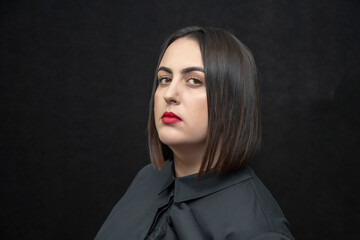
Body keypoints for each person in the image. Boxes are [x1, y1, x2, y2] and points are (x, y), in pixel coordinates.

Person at [95, 26, 294, 240]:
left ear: (232, 101)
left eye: (194, 80)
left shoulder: (258, 231)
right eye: (165, 79)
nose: (169, 94)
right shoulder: (148, 178)